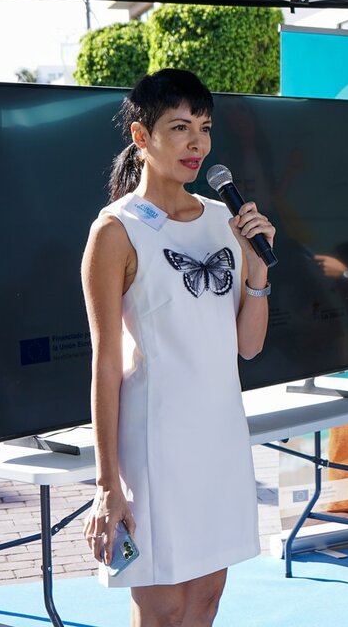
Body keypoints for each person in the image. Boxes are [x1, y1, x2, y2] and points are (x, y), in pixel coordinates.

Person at [80, 69, 275, 625]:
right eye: (181, 127)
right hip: (154, 444)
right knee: (162, 604)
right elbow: (106, 363)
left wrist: (257, 267)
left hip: (221, 436)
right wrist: (106, 484)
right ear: (141, 137)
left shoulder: (225, 221)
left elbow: (249, 345)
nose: (198, 144)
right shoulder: (114, 232)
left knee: (209, 591)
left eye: (205, 128)